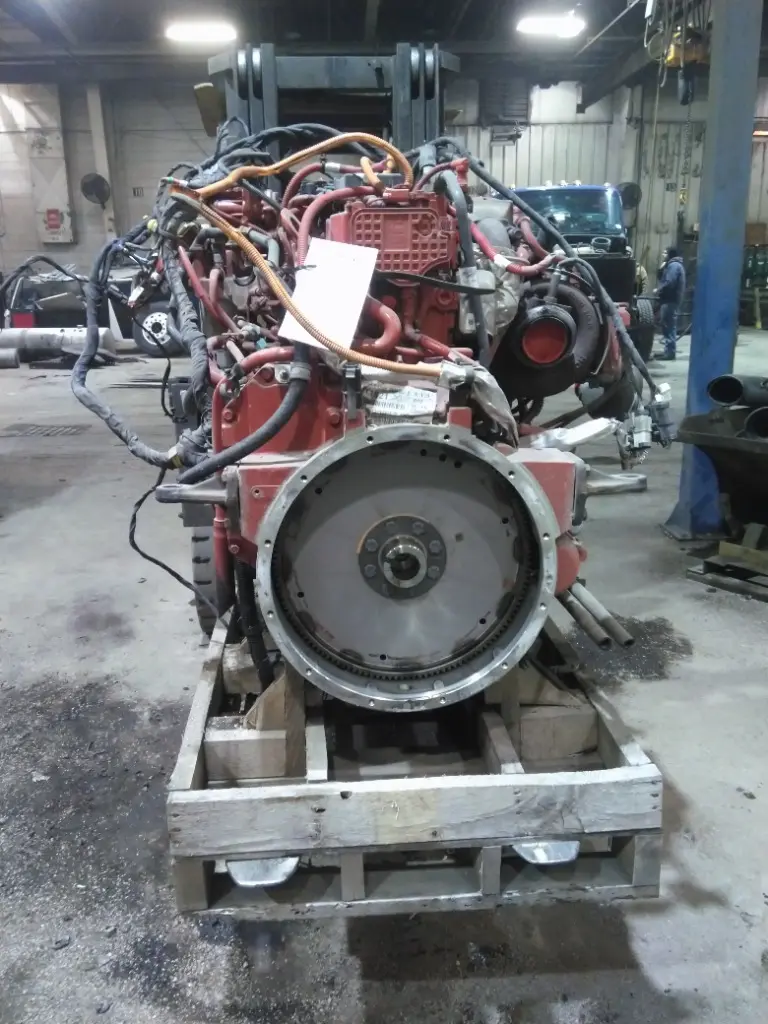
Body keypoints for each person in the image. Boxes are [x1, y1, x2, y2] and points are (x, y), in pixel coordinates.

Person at [655, 246, 686, 360]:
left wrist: (658, 290)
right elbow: (662, 278)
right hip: (670, 300)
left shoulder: (674, 266)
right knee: (667, 324)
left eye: (665, 253)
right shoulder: (672, 265)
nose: (663, 254)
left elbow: (669, 282)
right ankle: (668, 350)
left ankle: (670, 352)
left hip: (670, 300)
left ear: (670, 254)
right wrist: (662, 267)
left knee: (669, 325)